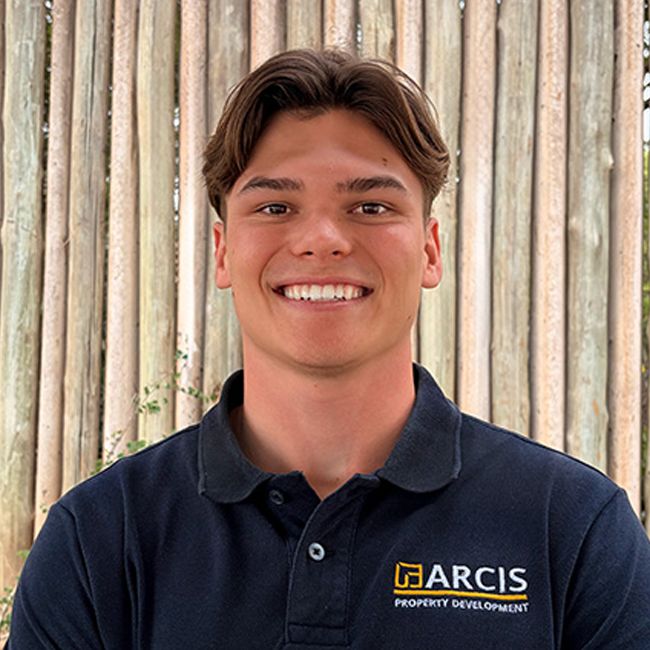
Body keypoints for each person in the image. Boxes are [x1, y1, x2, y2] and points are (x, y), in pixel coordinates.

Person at [7, 48, 650, 649]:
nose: (321, 239)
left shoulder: (575, 532)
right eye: (275, 207)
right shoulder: (96, 541)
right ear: (223, 251)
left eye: (370, 206)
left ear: (430, 251)